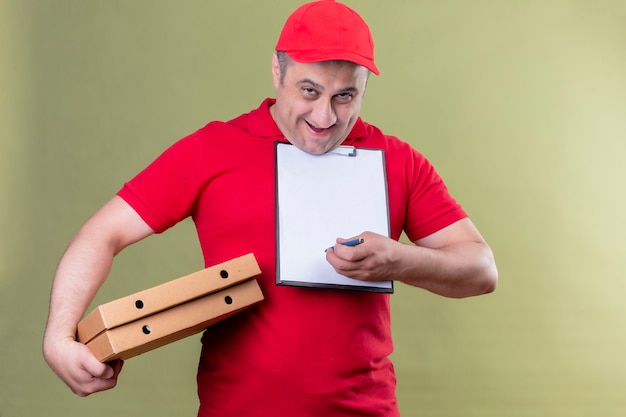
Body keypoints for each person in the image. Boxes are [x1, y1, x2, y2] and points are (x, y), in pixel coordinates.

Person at [43, 1, 498, 416]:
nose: (325, 117)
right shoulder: (214, 148)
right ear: (277, 73)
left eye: (346, 96)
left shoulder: (397, 161)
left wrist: (399, 260)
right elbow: (101, 234)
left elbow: (480, 270)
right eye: (309, 90)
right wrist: (59, 338)